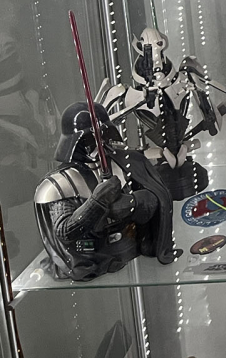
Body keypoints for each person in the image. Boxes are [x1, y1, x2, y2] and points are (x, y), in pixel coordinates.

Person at [33, 101, 179, 281]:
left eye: (104, 134)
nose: (100, 142)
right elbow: (65, 232)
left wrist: (134, 202)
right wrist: (97, 203)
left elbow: (159, 197)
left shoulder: (127, 162)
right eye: (90, 138)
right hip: (89, 258)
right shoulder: (60, 183)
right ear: (74, 142)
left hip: (130, 248)